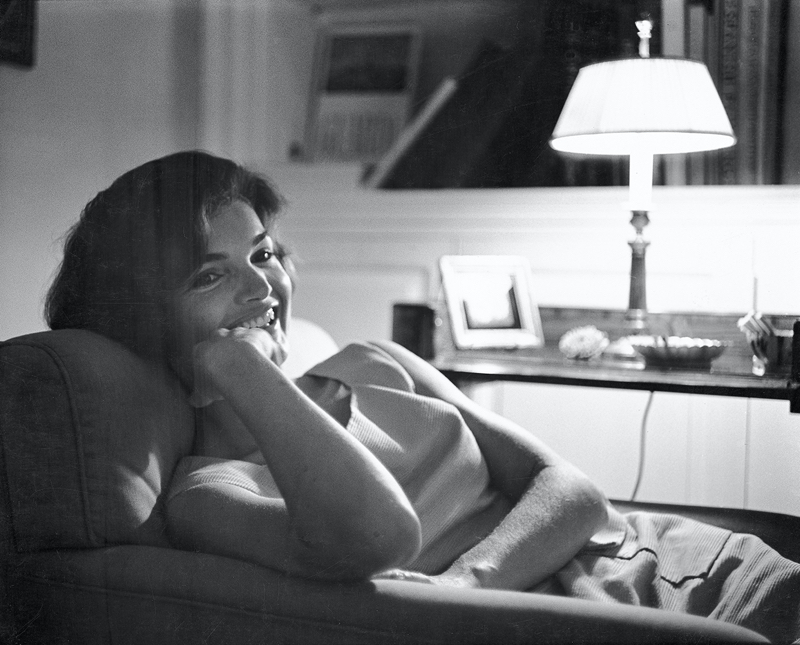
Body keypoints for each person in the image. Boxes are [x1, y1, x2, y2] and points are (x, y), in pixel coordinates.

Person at [46, 150, 800, 642]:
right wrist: (240, 368)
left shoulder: (373, 361)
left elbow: (574, 489)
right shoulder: (207, 495)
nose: (262, 286)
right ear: (149, 323)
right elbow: (377, 536)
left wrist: (471, 580)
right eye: (210, 275)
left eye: (263, 253)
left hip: (689, 566)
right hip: (643, 620)